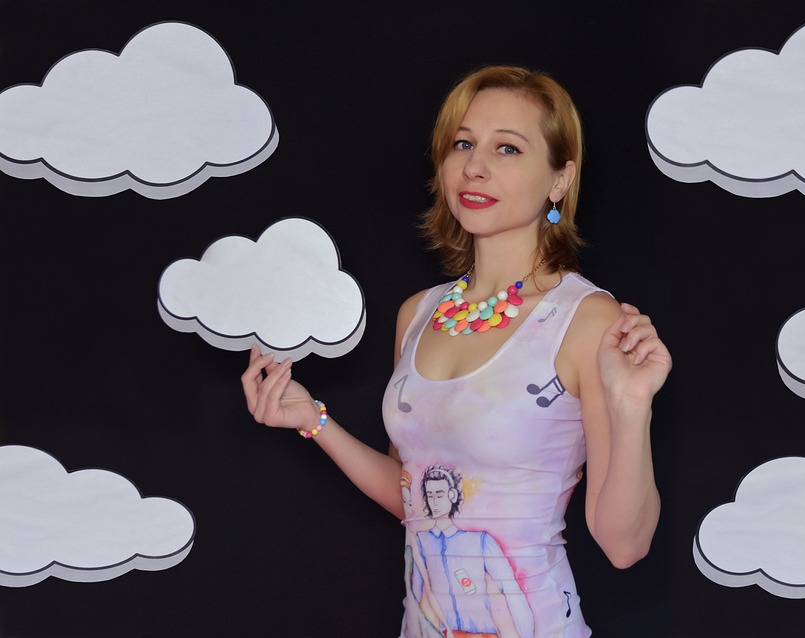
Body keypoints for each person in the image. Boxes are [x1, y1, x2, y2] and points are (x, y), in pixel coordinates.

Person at [242, 65, 671, 637]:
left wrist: (633, 405)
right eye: (463, 144)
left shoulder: (586, 318)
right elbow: (417, 500)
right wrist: (313, 421)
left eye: (508, 148)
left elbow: (624, 545)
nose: (475, 166)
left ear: (560, 179)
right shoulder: (418, 313)